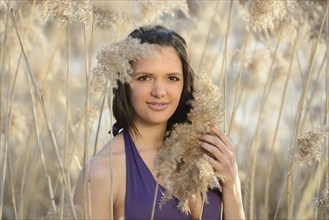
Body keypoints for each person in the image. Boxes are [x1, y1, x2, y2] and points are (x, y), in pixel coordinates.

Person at [73, 25, 245, 219]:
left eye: (172, 78)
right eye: (144, 77)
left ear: (184, 85)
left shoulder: (201, 154)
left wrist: (232, 184)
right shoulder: (100, 174)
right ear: (124, 84)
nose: (159, 92)